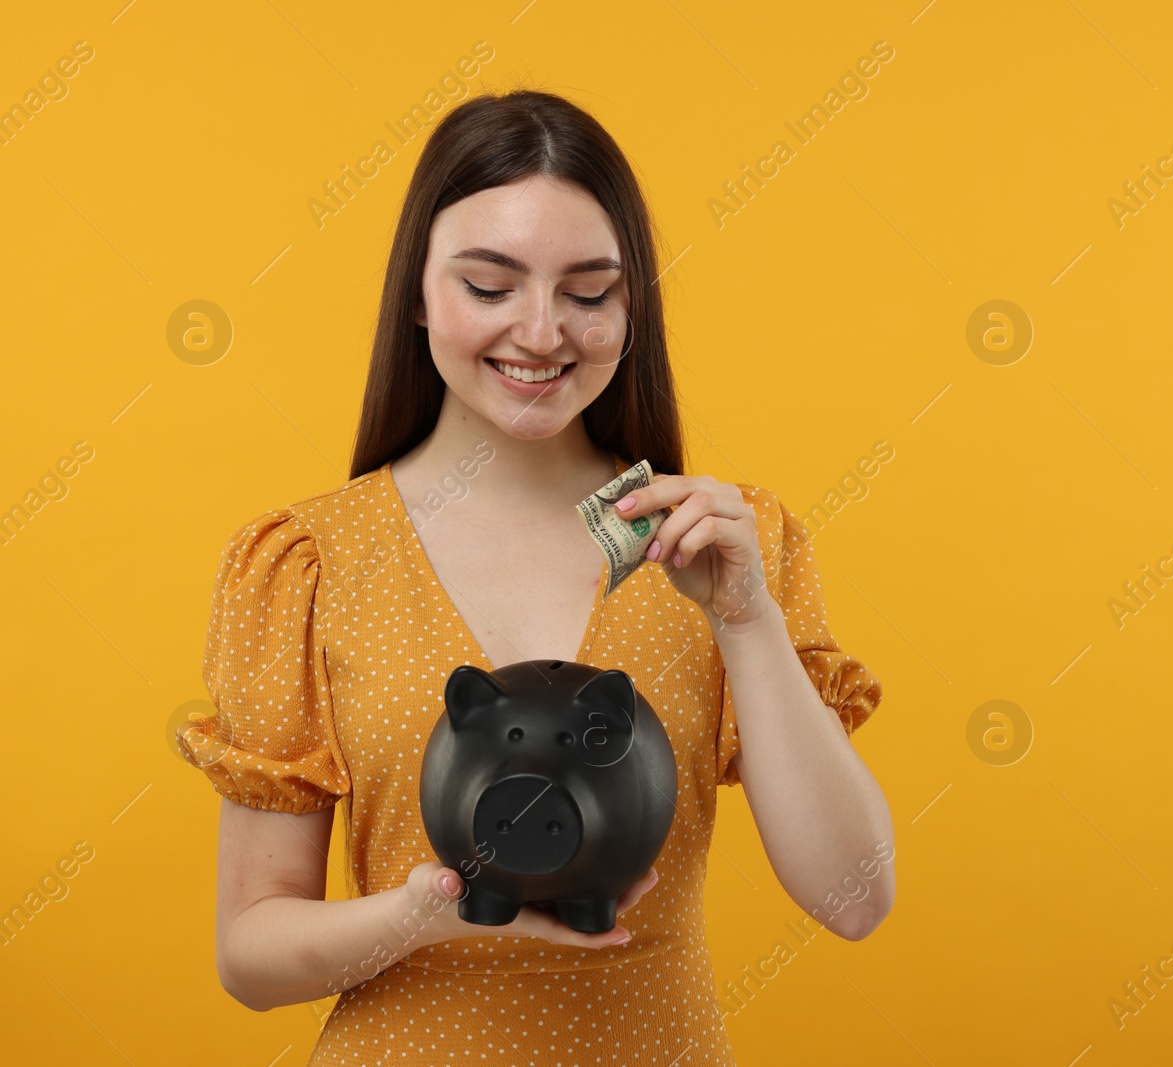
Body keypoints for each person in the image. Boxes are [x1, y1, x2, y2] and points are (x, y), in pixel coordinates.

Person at [177, 89, 894, 1064]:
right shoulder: (308, 562)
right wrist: (427, 914)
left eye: (588, 291)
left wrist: (747, 618)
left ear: (631, 308)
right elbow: (252, 954)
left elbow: (853, 899)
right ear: (419, 296)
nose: (542, 330)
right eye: (490, 284)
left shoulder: (724, 543)